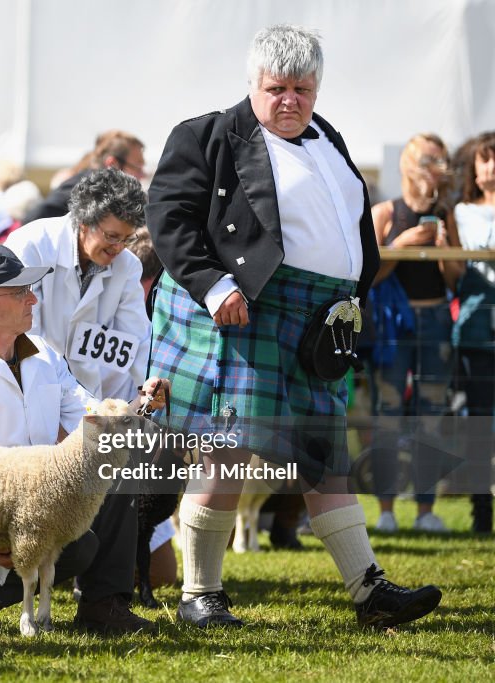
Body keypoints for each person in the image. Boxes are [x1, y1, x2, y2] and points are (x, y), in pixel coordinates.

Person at [146, 24, 441, 629]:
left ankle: (367, 589)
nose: (290, 101)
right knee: (224, 448)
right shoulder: (208, 136)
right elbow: (170, 218)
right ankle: (200, 594)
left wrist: (354, 293)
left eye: (302, 89)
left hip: (316, 319)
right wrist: (215, 284)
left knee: (324, 452)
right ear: (253, 83)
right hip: (248, 309)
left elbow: (351, 224)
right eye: (277, 88)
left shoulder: (325, 137)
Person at [0, 244, 164, 634]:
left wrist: (141, 404)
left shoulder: (45, 354)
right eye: (19, 292)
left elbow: (94, 419)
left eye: (30, 289)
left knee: (117, 468)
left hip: (39, 508)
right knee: (71, 545)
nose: (32, 298)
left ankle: (103, 603)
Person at [369, 133, 462, 534]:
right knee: (387, 413)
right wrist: (403, 244)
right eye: (429, 161)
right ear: (410, 165)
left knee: (432, 416)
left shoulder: (446, 214)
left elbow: (456, 279)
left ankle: (426, 510)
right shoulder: (386, 212)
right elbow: (368, 276)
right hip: (393, 324)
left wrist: (442, 251)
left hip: (436, 318)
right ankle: (386, 509)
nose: (435, 170)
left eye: (440, 162)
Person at [6, 167, 151, 401]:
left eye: (127, 238)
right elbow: (24, 336)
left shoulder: (127, 265)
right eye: (112, 236)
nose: (119, 248)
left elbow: (136, 337)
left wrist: (147, 387)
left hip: (89, 393)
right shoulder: (31, 246)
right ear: (84, 221)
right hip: (29, 388)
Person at [450, 130, 495, 534]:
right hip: (478, 330)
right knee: (479, 425)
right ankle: (482, 511)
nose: (491, 167)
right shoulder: (461, 212)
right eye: (484, 159)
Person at [23, 130, 146, 224]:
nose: (142, 174)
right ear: (112, 163)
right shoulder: (86, 188)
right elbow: (36, 217)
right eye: (137, 167)